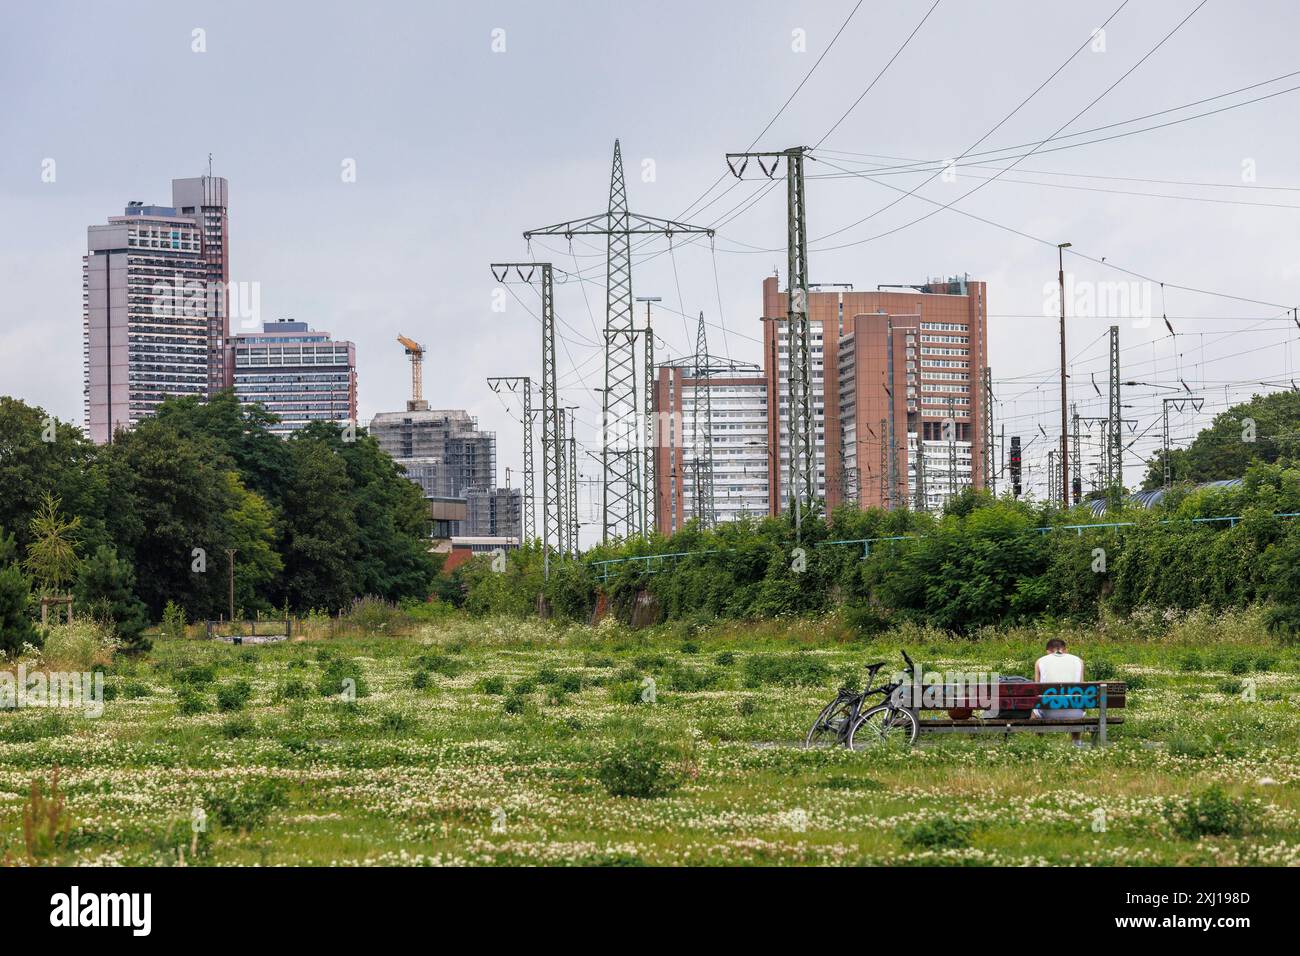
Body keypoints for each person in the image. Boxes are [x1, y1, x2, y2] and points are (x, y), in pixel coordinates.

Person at [1033, 638, 1087, 746]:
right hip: (1075, 714)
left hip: (1048, 712)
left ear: (1048, 651)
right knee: (1077, 703)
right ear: (1065, 650)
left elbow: (1036, 690)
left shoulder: (1040, 661)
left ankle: (1039, 743)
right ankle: (1076, 742)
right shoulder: (1078, 661)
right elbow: (1082, 689)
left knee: (1036, 709)